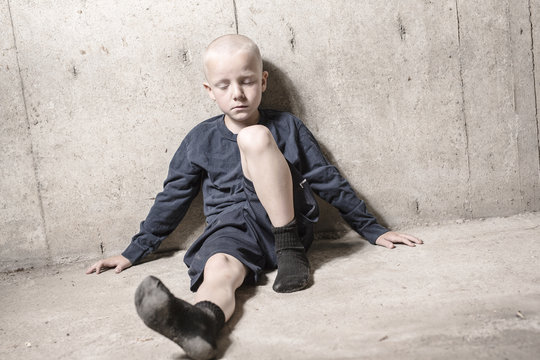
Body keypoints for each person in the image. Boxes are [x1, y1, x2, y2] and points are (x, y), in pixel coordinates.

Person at [86, 34, 422, 360]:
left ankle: (288, 248)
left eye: (246, 81)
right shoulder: (200, 139)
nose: (237, 94)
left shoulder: (286, 126)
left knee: (255, 138)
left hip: (282, 222)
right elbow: (172, 197)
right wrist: (135, 251)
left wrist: (373, 229)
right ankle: (200, 322)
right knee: (218, 269)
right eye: (224, 85)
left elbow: (325, 178)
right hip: (231, 230)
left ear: (262, 81)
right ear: (210, 91)